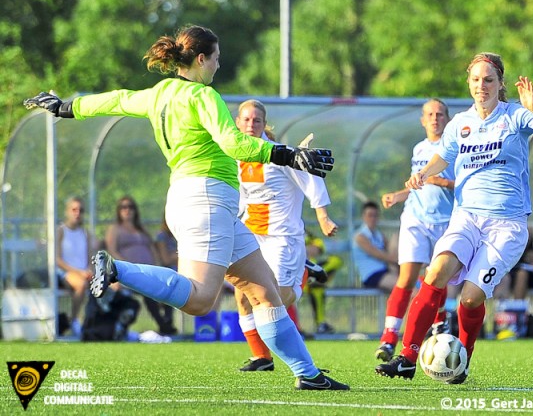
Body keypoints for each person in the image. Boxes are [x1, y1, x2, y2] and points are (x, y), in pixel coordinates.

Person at [24, 25, 347, 390]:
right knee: (199, 301)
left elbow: (116, 99)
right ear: (200, 59)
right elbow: (235, 144)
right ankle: (118, 269)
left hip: (196, 200)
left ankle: (309, 375)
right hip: (206, 200)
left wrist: (67, 107)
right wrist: (289, 154)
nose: (218, 66)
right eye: (216, 59)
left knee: (264, 291)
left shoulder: (160, 93)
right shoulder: (204, 96)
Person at [375, 52, 533, 384]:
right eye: (476, 80)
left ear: (500, 84)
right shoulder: (459, 123)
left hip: (506, 226)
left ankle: (461, 357)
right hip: (465, 218)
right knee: (435, 271)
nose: (482, 86)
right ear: (469, 83)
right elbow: (443, 156)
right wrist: (422, 173)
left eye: (489, 80)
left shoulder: (516, 115)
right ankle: (407, 356)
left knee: (470, 297)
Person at [233, 99, 339, 371]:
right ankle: (261, 357)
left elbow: (312, 177)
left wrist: (323, 217)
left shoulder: (280, 154)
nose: (250, 125)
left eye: (256, 120)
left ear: (264, 124)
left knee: (275, 301)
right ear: (237, 123)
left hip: (282, 238)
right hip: (251, 236)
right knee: (242, 294)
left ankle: (303, 273)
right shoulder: (235, 156)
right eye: (246, 120)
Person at [374, 99, 455, 362]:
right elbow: (418, 183)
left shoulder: (456, 147)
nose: (435, 118)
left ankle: (439, 324)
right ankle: (388, 338)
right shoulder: (419, 148)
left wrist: (440, 180)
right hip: (415, 219)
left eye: (440, 114)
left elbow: (466, 183)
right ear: (423, 120)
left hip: (446, 221)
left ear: (447, 118)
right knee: (406, 277)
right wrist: (399, 195)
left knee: (436, 277)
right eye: (430, 114)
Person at [105, 196, 177, 336]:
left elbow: (153, 249)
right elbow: (112, 251)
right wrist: (127, 267)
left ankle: (167, 321)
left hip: (148, 271)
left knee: (168, 285)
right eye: (124, 207)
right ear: (119, 211)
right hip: (128, 273)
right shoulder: (115, 229)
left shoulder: (141, 229)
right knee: (147, 290)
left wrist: (156, 266)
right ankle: (163, 325)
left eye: (131, 207)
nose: (127, 210)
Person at [55, 196, 93, 337]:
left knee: (111, 285)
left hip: (84, 273)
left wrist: (88, 270)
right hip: (64, 273)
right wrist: (79, 272)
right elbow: (57, 260)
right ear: (67, 211)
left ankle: (100, 326)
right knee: (82, 284)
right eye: (74, 209)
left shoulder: (86, 233)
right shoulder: (60, 231)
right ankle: (74, 321)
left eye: (81, 210)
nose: (77, 213)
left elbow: (90, 258)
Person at [352, 201, 399, 291]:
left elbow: (391, 249)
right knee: (407, 289)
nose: (373, 218)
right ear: (364, 216)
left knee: (396, 237)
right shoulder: (360, 236)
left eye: (375, 215)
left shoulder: (379, 235)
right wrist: (400, 260)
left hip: (386, 271)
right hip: (372, 275)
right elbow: (379, 255)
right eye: (370, 215)